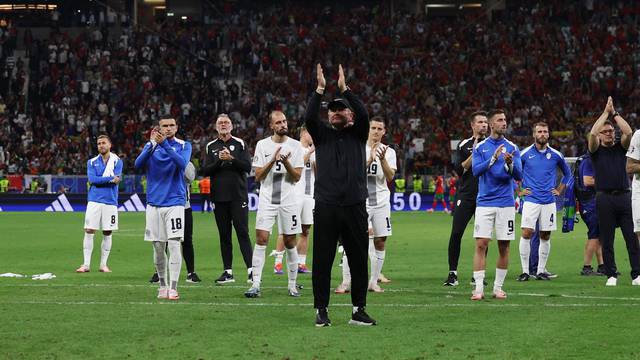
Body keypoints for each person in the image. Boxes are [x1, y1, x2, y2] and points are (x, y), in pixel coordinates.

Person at [305, 63, 376, 326]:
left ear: (350, 114)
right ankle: (321, 309)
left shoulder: (359, 133)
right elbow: (310, 118)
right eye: (331, 110)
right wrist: (320, 90)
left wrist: (346, 90)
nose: (335, 113)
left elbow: (365, 114)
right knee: (322, 260)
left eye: (340, 109)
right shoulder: (322, 135)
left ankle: (358, 309)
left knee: (358, 260)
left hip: (355, 205)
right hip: (326, 206)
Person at [244, 110, 304, 298]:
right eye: (278, 122)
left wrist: (285, 163)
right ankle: (255, 285)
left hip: (289, 201)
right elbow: (259, 177)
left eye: (284, 121)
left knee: (289, 241)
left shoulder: (295, 146)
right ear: (271, 126)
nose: (283, 125)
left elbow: (297, 177)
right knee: (261, 239)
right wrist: (272, 160)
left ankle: (292, 285)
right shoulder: (262, 145)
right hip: (268, 200)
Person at [336, 117, 396, 294]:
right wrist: (369, 160)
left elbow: (390, 177)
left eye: (380, 128)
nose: (376, 131)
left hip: (381, 202)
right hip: (359, 201)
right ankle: (346, 282)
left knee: (380, 240)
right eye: (373, 128)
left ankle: (373, 282)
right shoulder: (357, 147)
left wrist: (383, 159)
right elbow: (350, 174)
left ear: (384, 131)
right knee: (352, 240)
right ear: (368, 129)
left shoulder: (389, 151)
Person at [135, 117, 192, 300]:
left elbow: (182, 164)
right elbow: (137, 164)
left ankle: (174, 287)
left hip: (175, 202)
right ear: (159, 128)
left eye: (171, 125)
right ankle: (162, 285)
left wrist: (165, 145)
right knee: (158, 247)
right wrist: (152, 144)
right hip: (153, 203)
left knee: (174, 244)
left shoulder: (184, 145)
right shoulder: (151, 146)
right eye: (164, 126)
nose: (168, 128)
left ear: (177, 127)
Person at [471, 109, 522, 300]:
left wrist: (509, 164)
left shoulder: (512, 147)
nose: (504, 123)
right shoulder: (481, 147)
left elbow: (519, 175)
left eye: (505, 119)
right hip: (484, 202)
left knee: (504, 246)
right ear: (492, 124)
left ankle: (498, 288)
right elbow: (475, 171)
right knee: (481, 244)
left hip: (506, 203)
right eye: (500, 120)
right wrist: (492, 160)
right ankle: (478, 289)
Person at [588, 97, 639, 286]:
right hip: (604, 198)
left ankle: (636, 274)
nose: (611, 133)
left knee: (631, 237)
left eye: (611, 131)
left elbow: (628, 131)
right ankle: (611, 274)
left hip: (624, 196)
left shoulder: (622, 148)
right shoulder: (595, 150)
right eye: (606, 131)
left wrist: (614, 113)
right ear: (601, 135)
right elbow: (592, 133)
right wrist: (605, 113)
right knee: (607, 239)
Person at [202, 114, 253, 284]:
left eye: (226, 122)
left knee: (242, 233)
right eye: (220, 123)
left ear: (232, 126)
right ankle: (228, 272)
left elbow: (247, 166)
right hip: (219, 197)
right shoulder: (211, 146)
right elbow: (205, 170)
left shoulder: (240, 143)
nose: (223, 125)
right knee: (224, 236)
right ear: (216, 127)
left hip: (238, 196)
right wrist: (219, 161)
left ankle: (252, 270)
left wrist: (231, 159)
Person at [517, 122, 571, 281]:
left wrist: (560, 190)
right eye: (539, 131)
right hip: (531, 200)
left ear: (548, 134)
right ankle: (525, 271)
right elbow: (513, 172)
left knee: (545, 235)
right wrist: (519, 191)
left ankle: (540, 271)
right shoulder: (524, 154)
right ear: (534, 134)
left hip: (548, 201)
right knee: (527, 233)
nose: (542, 134)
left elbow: (567, 174)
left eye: (545, 131)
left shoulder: (556, 154)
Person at [443, 111, 488, 286]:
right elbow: (460, 170)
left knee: (483, 237)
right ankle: (452, 273)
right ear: (472, 125)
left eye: (485, 122)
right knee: (456, 233)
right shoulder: (464, 144)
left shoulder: (494, 144)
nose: (483, 125)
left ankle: (478, 275)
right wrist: (474, 153)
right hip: (466, 195)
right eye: (480, 122)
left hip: (486, 197)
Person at [271, 126, 316, 275]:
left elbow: (318, 172)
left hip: (309, 195)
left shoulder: (314, 151)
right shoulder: (294, 148)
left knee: (306, 230)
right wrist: (309, 153)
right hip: (294, 195)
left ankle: (301, 263)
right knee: (287, 230)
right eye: (311, 132)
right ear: (303, 132)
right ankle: (278, 263)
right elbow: (295, 168)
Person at [76, 135, 122, 273]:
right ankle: (86, 264)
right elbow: (92, 179)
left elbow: (117, 179)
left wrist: (102, 179)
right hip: (94, 201)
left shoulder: (117, 161)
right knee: (89, 230)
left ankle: (103, 265)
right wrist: (109, 179)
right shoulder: (91, 162)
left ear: (110, 145)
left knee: (107, 232)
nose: (101, 145)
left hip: (111, 201)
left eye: (103, 143)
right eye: (98, 143)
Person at [149, 161, 201, 283]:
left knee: (187, 240)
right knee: (162, 240)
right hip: (164, 205)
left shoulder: (187, 162)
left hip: (184, 206)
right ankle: (158, 272)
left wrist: (179, 161)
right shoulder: (161, 159)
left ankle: (191, 272)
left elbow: (190, 178)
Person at [575, 154, 604, 276]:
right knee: (594, 235)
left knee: (598, 235)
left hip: (589, 201)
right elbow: (587, 181)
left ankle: (602, 266)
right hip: (589, 202)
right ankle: (586, 267)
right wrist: (608, 181)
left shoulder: (587, 159)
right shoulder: (589, 160)